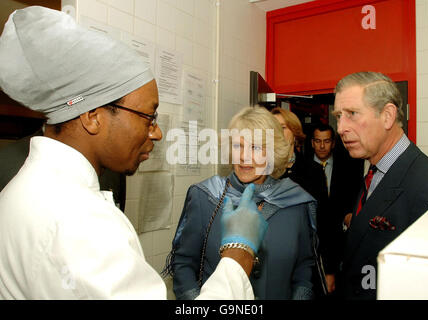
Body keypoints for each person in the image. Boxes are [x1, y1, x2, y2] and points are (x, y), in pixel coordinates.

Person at [0, 6, 267, 299]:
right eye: (148, 117)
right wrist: (238, 256)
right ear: (93, 116)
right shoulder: (81, 222)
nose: (157, 132)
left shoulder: (22, 189)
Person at [167, 106, 317, 300]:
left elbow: (304, 267)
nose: (244, 156)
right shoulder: (205, 196)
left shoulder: (295, 202)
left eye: (255, 147)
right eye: (238, 146)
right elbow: (184, 263)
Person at [333, 71, 428, 300]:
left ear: (388, 116)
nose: (341, 127)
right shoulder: (374, 170)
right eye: (339, 116)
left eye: (352, 114)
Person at [271, 108, 330, 296]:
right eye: (272, 128)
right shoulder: (262, 170)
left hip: (307, 262)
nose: (277, 133)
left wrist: (329, 269)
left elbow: (325, 221)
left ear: (295, 134)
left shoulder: (313, 171)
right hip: (273, 262)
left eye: (282, 127)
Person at [310, 123, 364, 295]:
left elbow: (353, 198)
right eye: (318, 141)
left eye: (326, 141)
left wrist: (349, 214)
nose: (322, 146)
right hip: (311, 242)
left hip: (338, 241)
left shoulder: (348, 168)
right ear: (312, 143)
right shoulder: (303, 170)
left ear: (333, 143)